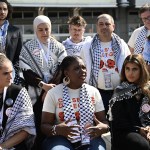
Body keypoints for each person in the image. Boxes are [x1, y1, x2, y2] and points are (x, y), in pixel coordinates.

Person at [19, 15, 67, 150]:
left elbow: (62, 69)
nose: (44, 33)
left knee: (55, 124)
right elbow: (26, 72)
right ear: (35, 30)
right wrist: (43, 86)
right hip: (37, 95)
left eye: (47, 29)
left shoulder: (59, 46)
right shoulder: (27, 47)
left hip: (55, 92)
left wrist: (50, 89)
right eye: (40, 29)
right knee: (38, 126)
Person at [41, 55, 109, 150]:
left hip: (90, 136)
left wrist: (103, 128)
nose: (83, 71)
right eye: (77, 68)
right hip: (60, 137)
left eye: (84, 67)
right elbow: (44, 125)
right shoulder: (53, 93)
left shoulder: (93, 91)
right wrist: (57, 129)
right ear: (66, 73)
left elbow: (103, 122)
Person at [81, 14, 130, 113]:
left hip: (119, 92)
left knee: (118, 122)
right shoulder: (87, 46)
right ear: (97, 26)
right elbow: (82, 67)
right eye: (101, 24)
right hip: (97, 92)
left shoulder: (122, 45)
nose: (104, 27)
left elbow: (129, 65)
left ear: (113, 26)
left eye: (107, 24)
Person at [108, 54, 150, 150]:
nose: (130, 73)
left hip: (145, 129)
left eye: (134, 69)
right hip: (125, 132)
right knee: (142, 145)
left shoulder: (148, 89)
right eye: (127, 69)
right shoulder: (120, 91)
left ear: (142, 70)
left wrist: (148, 128)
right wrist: (138, 129)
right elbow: (119, 122)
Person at [0, 53, 35, 150]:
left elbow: (26, 128)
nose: (11, 77)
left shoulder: (19, 92)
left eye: (11, 72)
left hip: (13, 146)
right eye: (6, 73)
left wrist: (2, 147)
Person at [0, 0, 23, 85]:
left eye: (5, 9)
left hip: (10, 73)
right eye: (0, 9)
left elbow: (19, 54)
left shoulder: (16, 31)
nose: (2, 12)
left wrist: (14, 69)